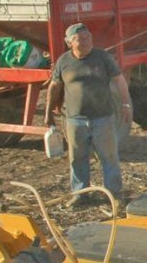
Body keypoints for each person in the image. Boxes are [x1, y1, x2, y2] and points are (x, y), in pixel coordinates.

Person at [45, 23, 133, 206]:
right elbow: (54, 87)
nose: (86, 42)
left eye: (88, 38)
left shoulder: (103, 58)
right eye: (80, 39)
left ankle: (114, 195)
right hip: (74, 120)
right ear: (69, 43)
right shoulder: (64, 62)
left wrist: (125, 104)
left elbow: (120, 80)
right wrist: (48, 113)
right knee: (77, 158)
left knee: (109, 156)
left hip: (103, 117)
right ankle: (80, 194)